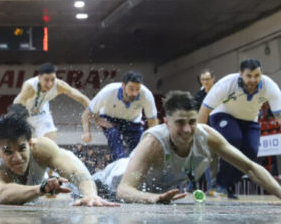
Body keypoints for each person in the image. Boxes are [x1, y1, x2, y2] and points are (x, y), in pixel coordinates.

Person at [94, 91, 281, 203]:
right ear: (166, 122)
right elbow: (124, 190)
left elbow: (250, 167)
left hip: (157, 195)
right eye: (180, 123)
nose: (187, 129)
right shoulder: (153, 142)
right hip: (108, 183)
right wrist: (152, 198)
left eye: (192, 121)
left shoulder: (206, 135)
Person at [0, 109, 117, 207]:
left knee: (87, 183)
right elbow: (4, 194)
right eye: (8, 152)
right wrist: (40, 190)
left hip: (40, 184)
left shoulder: (41, 148)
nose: (17, 158)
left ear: (30, 144)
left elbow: (75, 171)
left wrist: (90, 194)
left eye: (22, 149)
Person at [197, 59, 281, 198]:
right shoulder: (226, 84)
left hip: (249, 120)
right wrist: (198, 138)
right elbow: (204, 110)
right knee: (233, 139)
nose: (253, 79)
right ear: (240, 74)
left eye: (257, 75)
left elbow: (279, 115)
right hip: (222, 114)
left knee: (251, 153)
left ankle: (228, 184)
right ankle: (221, 184)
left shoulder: (270, 86)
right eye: (249, 76)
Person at [82, 71, 159, 161]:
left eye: (137, 89)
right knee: (113, 134)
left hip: (133, 122)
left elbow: (153, 121)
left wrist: (152, 140)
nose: (134, 93)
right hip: (109, 119)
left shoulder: (146, 95)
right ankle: (119, 162)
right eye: (131, 89)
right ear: (123, 86)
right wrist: (86, 132)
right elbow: (86, 114)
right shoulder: (108, 91)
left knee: (139, 152)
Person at [14, 63, 92, 142]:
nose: (50, 84)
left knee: (50, 143)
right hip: (23, 113)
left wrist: (94, 113)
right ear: (39, 78)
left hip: (41, 112)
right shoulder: (30, 87)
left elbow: (82, 99)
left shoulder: (59, 85)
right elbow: (17, 105)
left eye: (52, 79)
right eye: (46, 80)